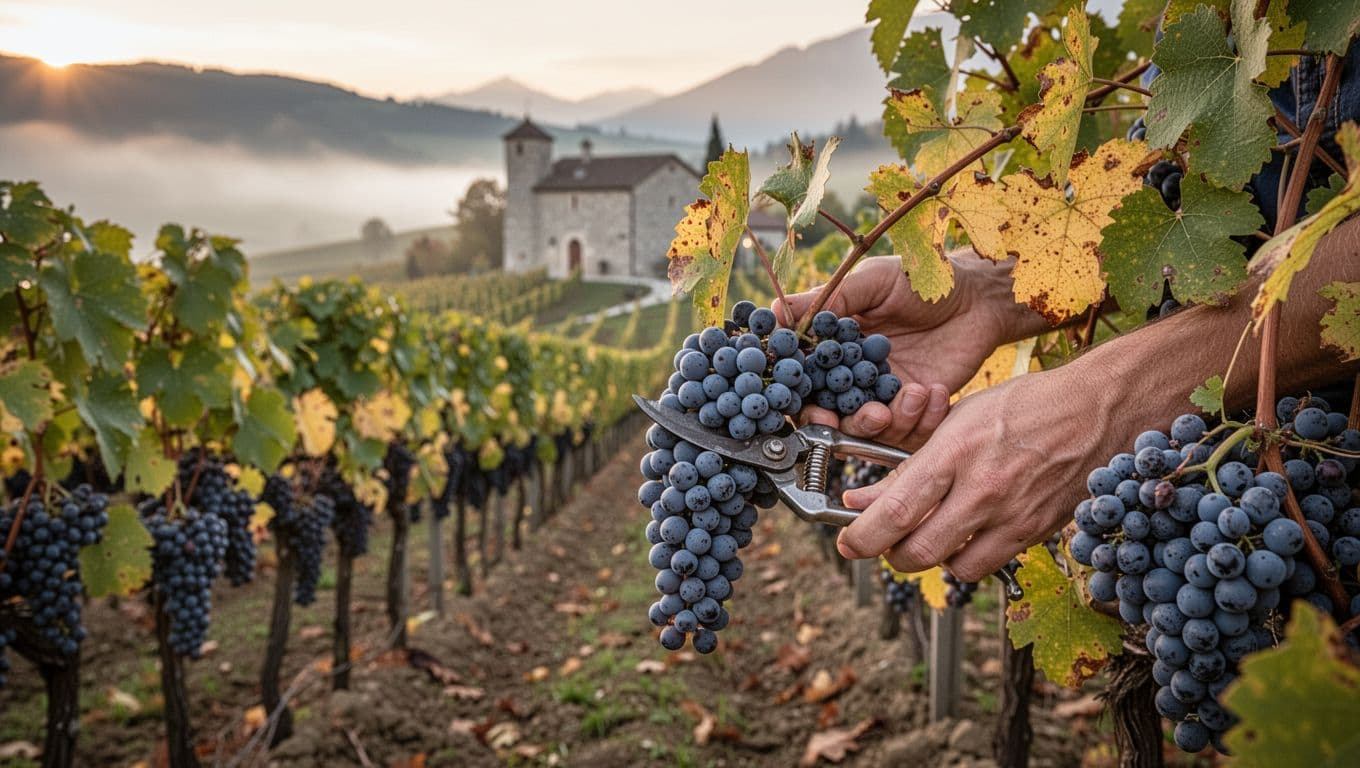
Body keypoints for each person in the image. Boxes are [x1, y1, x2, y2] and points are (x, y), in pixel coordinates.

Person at [772, 50, 1360, 584]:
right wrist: (987, 290)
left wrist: (1110, 399)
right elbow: (1166, 225)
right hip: (1236, 519)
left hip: (1320, 494)